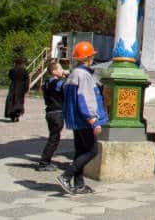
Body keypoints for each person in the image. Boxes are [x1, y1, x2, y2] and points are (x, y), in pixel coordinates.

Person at [57, 42, 108, 195]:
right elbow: (85, 99)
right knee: (92, 151)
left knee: (80, 152)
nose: (93, 58)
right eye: (92, 55)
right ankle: (66, 176)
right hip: (85, 120)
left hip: (76, 120)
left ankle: (79, 184)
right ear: (87, 58)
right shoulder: (84, 75)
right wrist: (93, 119)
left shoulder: (74, 73)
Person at [36, 60, 68, 171]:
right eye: (60, 69)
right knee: (54, 139)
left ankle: (46, 161)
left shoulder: (46, 83)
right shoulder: (58, 83)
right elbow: (67, 88)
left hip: (49, 112)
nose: (62, 70)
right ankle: (44, 162)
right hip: (57, 113)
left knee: (53, 137)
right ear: (54, 71)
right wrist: (68, 76)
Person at [5, 53, 29, 122]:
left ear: (15, 63)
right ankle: (17, 114)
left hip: (13, 86)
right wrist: (26, 88)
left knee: (11, 100)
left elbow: (10, 77)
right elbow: (27, 79)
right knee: (19, 101)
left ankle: (12, 115)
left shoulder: (12, 70)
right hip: (21, 87)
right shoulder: (24, 70)